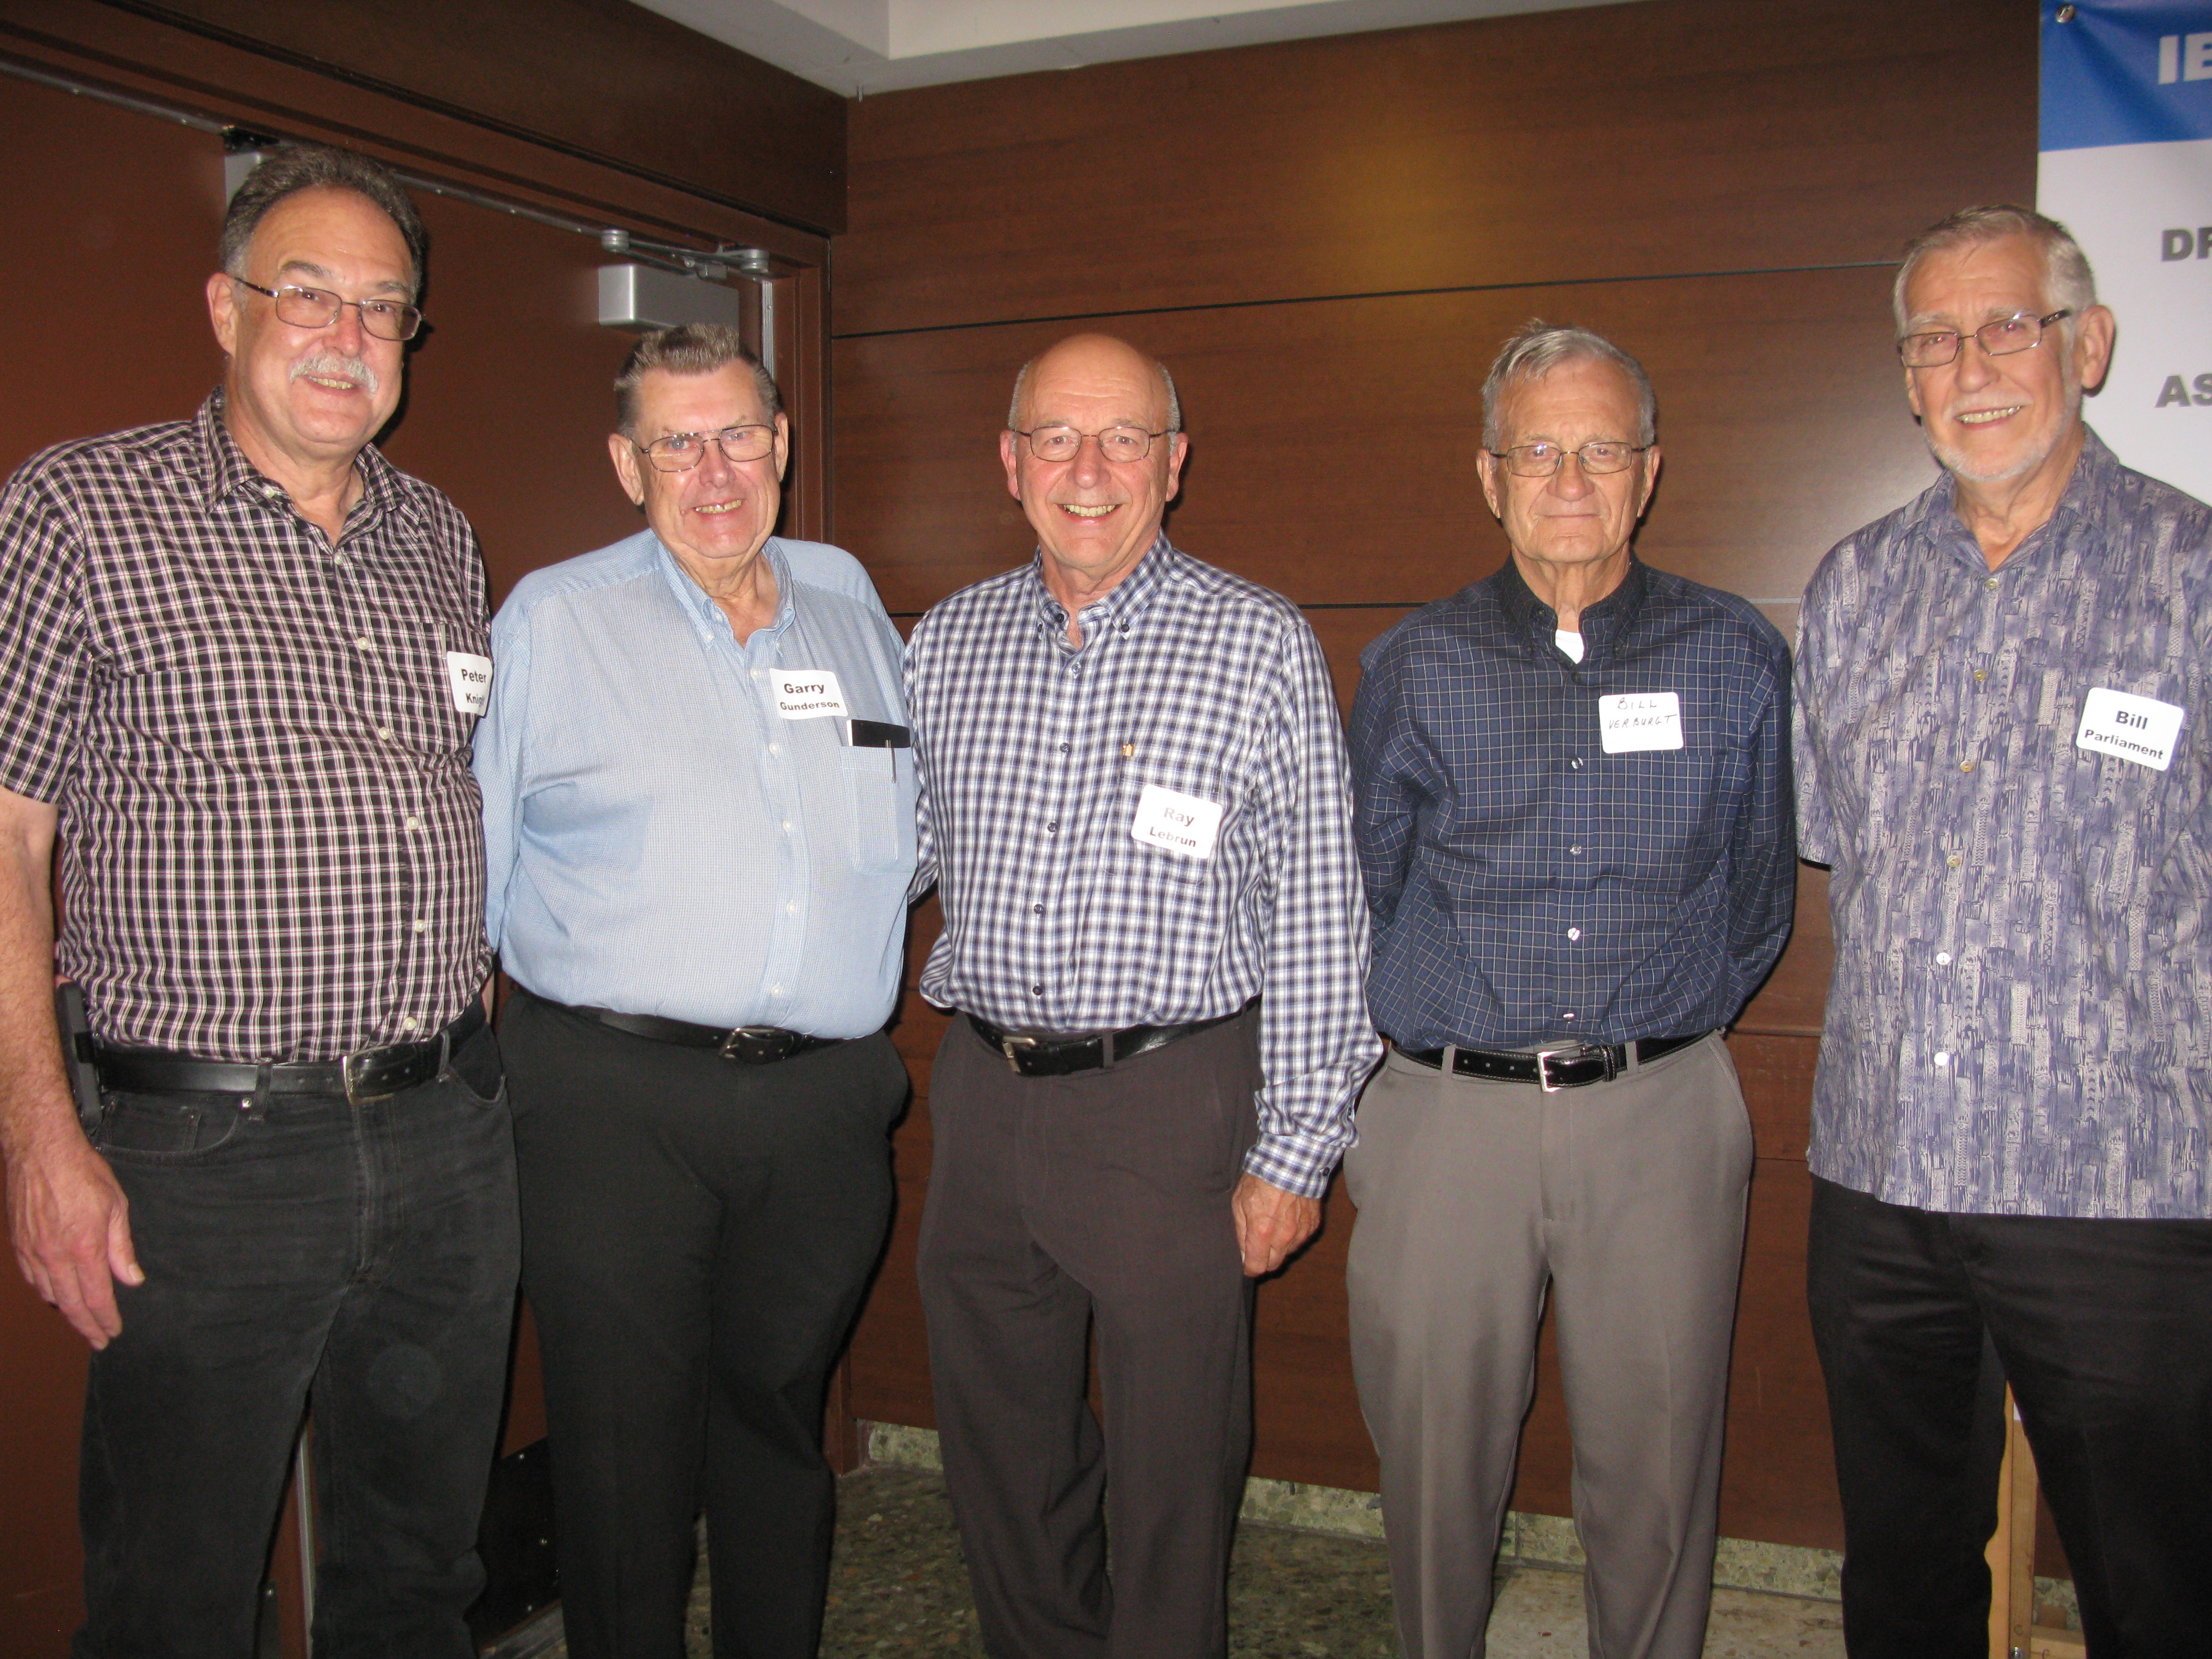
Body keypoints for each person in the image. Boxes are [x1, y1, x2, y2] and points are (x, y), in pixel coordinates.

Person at [0, 144, 515, 1657]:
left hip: (445, 1131)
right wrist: (40, 1139)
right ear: (226, 308)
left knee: (418, 1578)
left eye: (383, 306)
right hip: (205, 1154)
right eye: (308, 295)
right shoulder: (81, 509)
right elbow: (7, 836)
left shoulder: (439, 535)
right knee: (174, 1598)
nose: (349, 336)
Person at [904, 332, 1379, 1658]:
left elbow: (1319, 905)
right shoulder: (945, 643)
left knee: (1175, 1466)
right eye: (1055, 438)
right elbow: (891, 855)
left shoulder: (1254, 640)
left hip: (1170, 1101)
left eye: (1123, 439)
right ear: (1009, 462)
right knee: (1001, 1451)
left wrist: (1294, 1150)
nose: (1088, 469)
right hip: (984, 1096)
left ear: (1173, 463)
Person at [1794, 204, 2212, 1658]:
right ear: (1906, 378)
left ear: (2086, 346)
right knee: (1899, 1581)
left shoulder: (2192, 573)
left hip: (2119, 1190)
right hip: (1883, 1180)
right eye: (1934, 339)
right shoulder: (1851, 587)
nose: (1970, 367)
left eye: (2006, 328)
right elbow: (1836, 840)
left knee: (2156, 1587)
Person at [1344, 323, 1795, 1659]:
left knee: (1657, 1473)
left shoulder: (1731, 653)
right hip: (1447, 1117)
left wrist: (1663, 1028)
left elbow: (1757, 891)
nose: (1568, 480)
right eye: (1536, 451)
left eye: (1600, 450)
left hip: (1659, 1108)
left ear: (1647, 471)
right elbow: (1363, 882)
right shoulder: (1415, 663)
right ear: (1487, 477)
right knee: (1432, 1464)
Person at [472, 324, 914, 1659]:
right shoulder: (555, 618)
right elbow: (470, 868)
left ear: (781, 445)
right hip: (612, 1100)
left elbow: (906, 834)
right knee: (625, 1450)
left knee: (777, 1422)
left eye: (738, 438)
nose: (714, 473)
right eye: (677, 444)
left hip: (819, 1105)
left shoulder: (846, 598)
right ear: (628, 465)